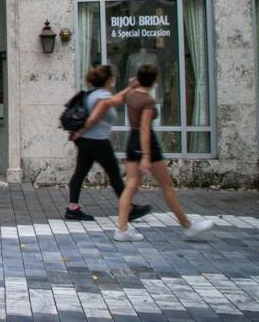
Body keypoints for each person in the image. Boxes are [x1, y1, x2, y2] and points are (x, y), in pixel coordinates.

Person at [88, 64, 214, 242]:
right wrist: (146, 157)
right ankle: (187, 225)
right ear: (155, 81)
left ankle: (122, 229)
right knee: (167, 186)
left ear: (138, 78)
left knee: (130, 185)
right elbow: (145, 129)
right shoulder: (147, 101)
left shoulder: (131, 95)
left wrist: (129, 87)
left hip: (132, 141)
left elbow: (113, 101)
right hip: (146, 144)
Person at [65, 65, 151, 222]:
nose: (114, 80)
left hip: (86, 142)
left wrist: (129, 88)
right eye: (112, 77)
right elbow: (93, 119)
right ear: (108, 80)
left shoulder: (93, 94)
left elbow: (117, 99)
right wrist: (80, 132)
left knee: (80, 173)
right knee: (114, 174)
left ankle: (73, 208)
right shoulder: (103, 96)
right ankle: (129, 208)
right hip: (98, 141)